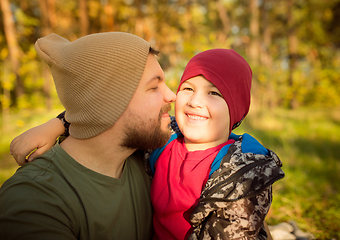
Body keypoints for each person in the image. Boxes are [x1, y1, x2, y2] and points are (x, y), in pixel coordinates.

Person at [10, 49, 285, 239]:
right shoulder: (165, 141)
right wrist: (56, 124)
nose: (194, 101)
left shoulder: (242, 168)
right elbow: (113, 112)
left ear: (235, 111)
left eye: (214, 93)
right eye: (188, 88)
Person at [0, 32, 176, 240]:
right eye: (154, 87)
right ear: (109, 106)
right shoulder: (34, 200)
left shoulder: (151, 158)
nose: (172, 95)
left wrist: (59, 124)